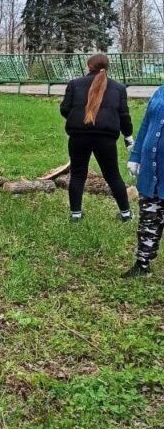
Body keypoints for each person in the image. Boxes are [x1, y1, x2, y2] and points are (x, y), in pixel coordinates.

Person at [59, 53, 133, 222]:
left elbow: (64, 109)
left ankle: (76, 215)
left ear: (89, 66)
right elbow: (124, 116)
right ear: (106, 68)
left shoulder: (74, 84)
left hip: (79, 136)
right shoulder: (119, 88)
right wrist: (128, 136)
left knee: (78, 174)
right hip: (106, 138)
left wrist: (77, 119)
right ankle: (126, 214)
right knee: (113, 175)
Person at [124, 86, 164, 277]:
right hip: (152, 173)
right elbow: (147, 125)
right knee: (148, 220)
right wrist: (137, 155)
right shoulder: (159, 92)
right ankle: (142, 265)